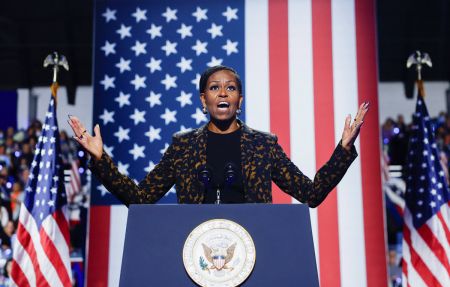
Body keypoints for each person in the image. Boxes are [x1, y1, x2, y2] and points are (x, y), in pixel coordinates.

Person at [68, 65, 369, 206]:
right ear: (203, 100)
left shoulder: (263, 146)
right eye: (214, 87)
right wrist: (100, 159)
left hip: (254, 248)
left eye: (231, 88)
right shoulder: (183, 147)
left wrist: (343, 149)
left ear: (240, 100)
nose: (223, 92)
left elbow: (311, 194)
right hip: (196, 251)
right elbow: (140, 198)